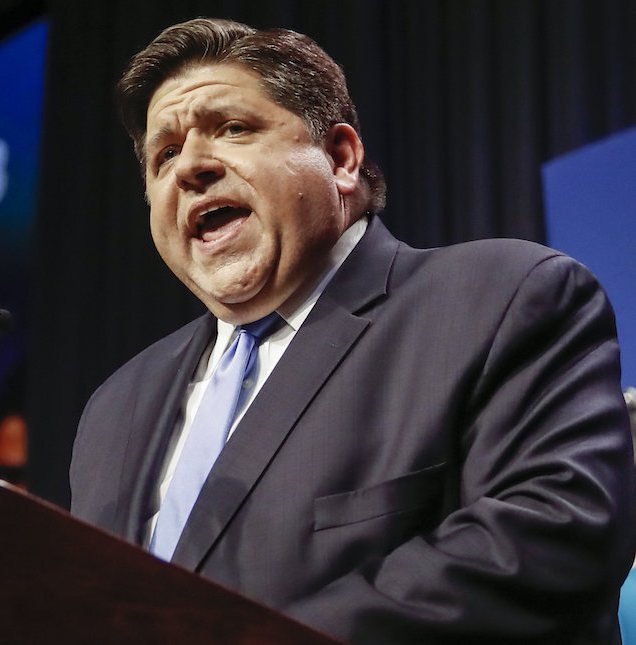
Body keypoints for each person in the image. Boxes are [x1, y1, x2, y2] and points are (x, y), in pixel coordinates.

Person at [70, 18, 635, 644]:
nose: (190, 167)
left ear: (341, 158)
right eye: (164, 153)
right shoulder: (115, 409)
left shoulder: (500, 297)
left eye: (232, 128)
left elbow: (548, 538)